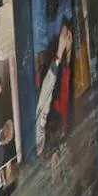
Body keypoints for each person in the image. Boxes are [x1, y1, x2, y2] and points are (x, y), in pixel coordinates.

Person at [34, 19, 75, 158]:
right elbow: (64, 91)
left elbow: (45, 95)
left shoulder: (40, 144)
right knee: (67, 13)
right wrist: (68, 51)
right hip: (55, 56)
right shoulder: (61, 132)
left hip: (41, 53)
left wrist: (59, 52)